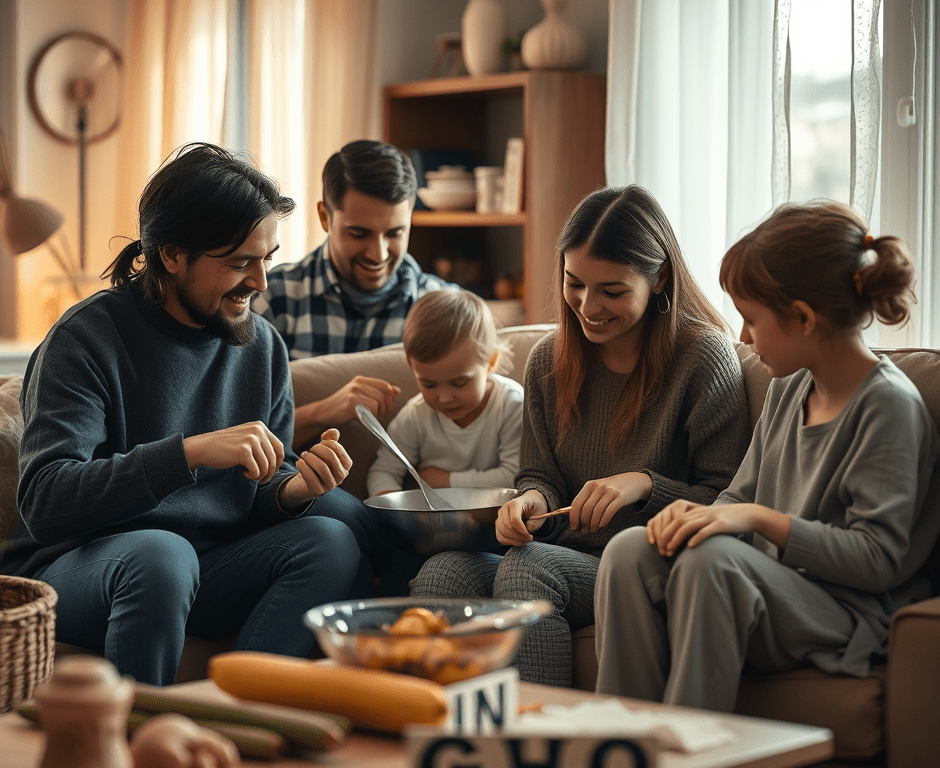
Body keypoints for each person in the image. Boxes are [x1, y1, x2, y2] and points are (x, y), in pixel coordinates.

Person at [0, 143, 365, 686]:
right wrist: (188, 453)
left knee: (331, 538)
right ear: (172, 255)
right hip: (86, 569)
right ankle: (142, 742)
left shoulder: (261, 347)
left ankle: (249, 720)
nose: (261, 282)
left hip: (208, 568)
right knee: (162, 555)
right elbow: (46, 500)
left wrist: (294, 491)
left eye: (268, 258)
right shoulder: (86, 339)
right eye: (241, 262)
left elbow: (263, 485)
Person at [593, 200, 940, 711]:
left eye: (750, 320)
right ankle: (626, 739)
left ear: (802, 318)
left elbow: (877, 560)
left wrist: (756, 518)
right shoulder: (789, 386)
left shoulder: (887, 406)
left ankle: (694, 746)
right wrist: (698, 517)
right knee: (629, 551)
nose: (743, 340)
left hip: (846, 610)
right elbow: (738, 494)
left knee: (709, 563)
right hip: (767, 588)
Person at [410, 184, 751, 687]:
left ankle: (542, 740)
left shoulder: (703, 359)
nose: (588, 306)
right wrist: (528, 502)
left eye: (612, 290)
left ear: (658, 281)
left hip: (647, 563)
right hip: (562, 551)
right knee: (443, 573)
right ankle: (444, 740)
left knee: (528, 569)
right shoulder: (549, 360)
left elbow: (726, 502)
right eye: (575, 284)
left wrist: (642, 484)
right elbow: (540, 474)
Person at [252, 139, 457, 449]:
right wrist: (325, 412)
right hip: (295, 490)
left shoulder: (445, 310)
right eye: (359, 233)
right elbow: (237, 434)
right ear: (325, 217)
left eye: (395, 233)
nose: (378, 254)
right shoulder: (271, 299)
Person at [366, 290, 524, 498]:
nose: (444, 398)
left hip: (494, 520)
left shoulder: (510, 404)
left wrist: (444, 481)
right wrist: (394, 508)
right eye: (429, 385)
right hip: (430, 522)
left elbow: (516, 475)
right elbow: (384, 470)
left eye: (459, 383)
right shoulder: (416, 415)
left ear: (490, 363)